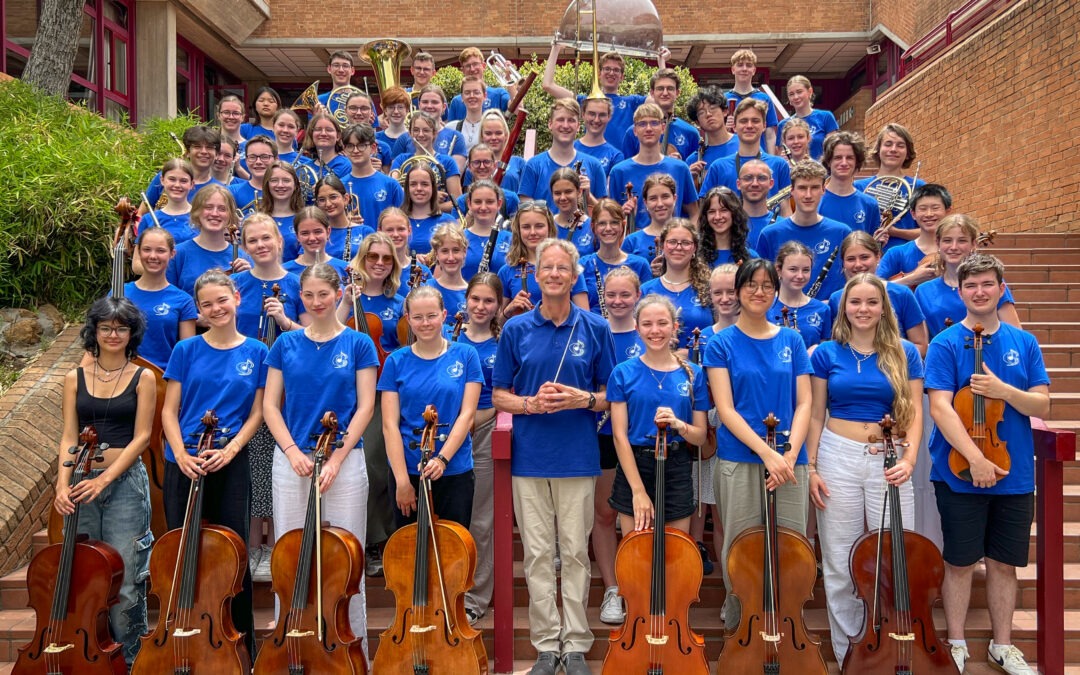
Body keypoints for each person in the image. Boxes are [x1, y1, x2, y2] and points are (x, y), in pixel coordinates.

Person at [492, 238, 617, 675]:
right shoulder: (516, 329)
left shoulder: (596, 328)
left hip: (578, 456)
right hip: (530, 458)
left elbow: (609, 398)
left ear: (575, 274)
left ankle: (577, 644)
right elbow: (499, 395)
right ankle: (547, 645)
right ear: (536, 273)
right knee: (540, 554)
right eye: (547, 268)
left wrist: (581, 399)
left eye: (563, 268)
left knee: (576, 553)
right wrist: (530, 405)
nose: (555, 275)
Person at [923, 253, 1049, 675]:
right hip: (959, 471)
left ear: (1000, 288)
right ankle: (956, 641)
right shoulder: (944, 343)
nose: (979, 292)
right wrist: (976, 458)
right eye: (971, 285)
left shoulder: (1022, 342)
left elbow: (1042, 401)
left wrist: (1002, 390)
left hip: (1013, 472)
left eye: (987, 284)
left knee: (1003, 562)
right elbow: (940, 407)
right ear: (960, 292)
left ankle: (1003, 645)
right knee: (959, 561)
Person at [262, 262, 379, 660]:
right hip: (292, 460)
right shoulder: (285, 344)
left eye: (323, 295)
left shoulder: (358, 343)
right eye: (308, 296)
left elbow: (365, 408)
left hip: (344, 461)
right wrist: (293, 451)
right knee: (289, 559)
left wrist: (337, 457)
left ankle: (352, 651)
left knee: (349, 561)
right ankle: (290, 649)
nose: (315, 303)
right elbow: (270, 407)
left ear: (337, 295)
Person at [805, 272, 924, 663]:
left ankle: (889, 651)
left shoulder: (905, 352)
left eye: (872, 302)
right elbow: (816, 415)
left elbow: (917, 413)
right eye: (855, 302)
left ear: (883, 308)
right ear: (844, 308)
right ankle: (850, 657)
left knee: (891, 560)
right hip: (836, 456)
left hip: (888, 459)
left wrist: (909, 460)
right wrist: (812, 467)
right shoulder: (825, 353)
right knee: (840, 563)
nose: (863, 309)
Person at [162, 270, 269, 656]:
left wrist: (232, 449)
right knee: (181, 550)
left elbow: (257, 413)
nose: (215, 308)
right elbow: (169, 411)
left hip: (230, 460)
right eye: (206, 304)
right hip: (185, 461)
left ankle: (239, 646)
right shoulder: (186, 349)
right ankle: (182, 643)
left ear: (236, 298)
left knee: (233, 555)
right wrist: (180, 454)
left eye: (221, 300)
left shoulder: (257, 351)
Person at [703, 258, 813, 627]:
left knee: (791, 546)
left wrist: (792, 453)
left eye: (767, 285)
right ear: (737, 292)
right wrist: (768, 454)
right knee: (741, 547)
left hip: (790, 462)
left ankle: (786, 624)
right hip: (740, 459)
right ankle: (742, 628)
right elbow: (726, 409)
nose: (759, 291)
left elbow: (805, 403)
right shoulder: (720, 343)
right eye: (751, 284)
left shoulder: (792, 340)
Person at [54, 297, 156, 666]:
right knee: (83, 577)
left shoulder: (143, 377)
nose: (113, 334)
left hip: (125, 483)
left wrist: (105, 480)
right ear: (94, 332)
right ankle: (89, 659)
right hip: (81, 481)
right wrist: (61, 485)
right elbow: (69, 436)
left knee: (126, 581)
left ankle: (129, 663)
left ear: (132, 334)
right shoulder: (73, 377)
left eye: (121, 328)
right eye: (106, 327)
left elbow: (142, 438)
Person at [232, 214, 307, 581]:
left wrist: (286, 322)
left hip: (288, 385)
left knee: (277, 462)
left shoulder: (295, 284)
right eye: (253, 240)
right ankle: (251, 549)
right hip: (245, 383)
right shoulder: (236, 285)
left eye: (266, 238)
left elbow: (314, 334)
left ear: (280, 240)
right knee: (251, 465)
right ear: (244, 246)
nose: (261, 245)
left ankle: (279, 548)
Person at [379, 283, 483, 526]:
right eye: (418, 317)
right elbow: (389, 425)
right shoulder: (396, 361)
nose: (425, 323)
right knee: (408, 551)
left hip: (454, 467)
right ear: (408, 319)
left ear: (444, 315)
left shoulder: (466, 355)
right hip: (407, 469)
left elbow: (467, 415)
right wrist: (402, 480)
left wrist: (442, 459)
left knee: (454, 553)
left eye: (432, 316)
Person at [608, 292, 710, 536]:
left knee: (676, 556)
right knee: (636, 556)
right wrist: (638, 491)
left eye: (662, 323)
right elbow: (619, 436)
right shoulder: (622, 373)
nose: (655, 330)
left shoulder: (693, 374)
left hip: (676, 467)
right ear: (637, 327)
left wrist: (678, 425)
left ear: (675, 326)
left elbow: (700, 437)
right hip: (636, 466)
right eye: (647, 324)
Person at [337, 232, 405, 577]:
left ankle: (380, 539)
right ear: (361, 260)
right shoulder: (350, 297)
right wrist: (348, 302)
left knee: (380, 466)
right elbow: (331, 332)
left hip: (385, 390)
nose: (379, 263)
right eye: (372, 257)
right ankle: (359, 539)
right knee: (359, 465)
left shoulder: (400, 299)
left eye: (386, 258)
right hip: (352, 392)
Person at [591, 266, 645, 624]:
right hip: (604, 436)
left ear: (638, 296)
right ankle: (613, 588)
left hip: (645, 437)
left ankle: (640, 587)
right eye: (611, 295)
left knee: (643, 517)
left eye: (625, 295)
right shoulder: (595, 332)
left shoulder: (651, 330)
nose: (618, 301)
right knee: (606, 513)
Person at [687, 263, 740, 575]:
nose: (724, 298)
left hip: (736, 423)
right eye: (717, 292)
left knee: (724, 510)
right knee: (697, 500)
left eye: (730, 291)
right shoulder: (702, 337)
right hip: (705, 422)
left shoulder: (751, 332)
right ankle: (694, 569)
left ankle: (729, 588)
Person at [460, 273, 504, 625]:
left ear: (498, 306)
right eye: (475, 299)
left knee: (482, 519)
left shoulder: (503, 343)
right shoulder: (449, 339)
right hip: (445, 436)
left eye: (488, 301)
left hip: (486, 433)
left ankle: (476, 596)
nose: (480, 306)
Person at [755, 159, 852, 301]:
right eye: (802, 188)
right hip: (783, 315)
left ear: (823, 190)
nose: (808, 195)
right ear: (792, 191)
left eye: (814, 188)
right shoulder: (770, 234)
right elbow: (761, 281)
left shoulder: (842, 232)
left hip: (832, 314)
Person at [915, 214, 1021, 338]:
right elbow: (921, 343)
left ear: (973, 244)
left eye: (962, 241)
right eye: (947, 240)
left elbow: (1015, 335)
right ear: (938, 243)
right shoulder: (923, 291)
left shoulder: (989, 284)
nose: (954, 247)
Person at [828, 231, 929, 355]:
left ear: (878, 257)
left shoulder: (902, 294)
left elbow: (920, 345)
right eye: (851, 259)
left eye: (865, 257)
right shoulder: (836, 299)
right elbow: (835, 346)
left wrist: (884, 360)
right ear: (843, 263)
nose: (858, 264)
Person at [542, 46, 663, 145]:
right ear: (599, 74)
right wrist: (555, 48)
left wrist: (661, 62)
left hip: (622, 165)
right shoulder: (587, 101)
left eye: (616, 70)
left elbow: (661, 99)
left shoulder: (632, 102)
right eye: (607, 69)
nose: (611, 73)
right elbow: (548, 85)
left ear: (622, 77)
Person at [609, 102, 699, 230]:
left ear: (663, 128)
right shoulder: (619, 172)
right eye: (642, 124)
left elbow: (694, 213)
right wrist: (623, 214)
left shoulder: (680, 168)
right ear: (635, 131)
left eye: (654, 123)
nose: (649, 128)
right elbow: (612, 217)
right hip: (634, 247)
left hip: (672, 244)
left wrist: (688, 238)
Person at [121, 227, 197, 370]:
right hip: (121, 375)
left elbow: (187, 354)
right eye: (147, 249)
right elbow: (99, 339)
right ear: (138, 252)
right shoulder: (120, 292)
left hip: (162, 380)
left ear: (172, 254)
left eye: (161, 251)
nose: (153, 256)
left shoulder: (183, 301)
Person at [498, 202, 590, 319]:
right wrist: (509, 310)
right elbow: (496, 326)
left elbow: (584, 318)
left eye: (539, 226)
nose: (533, 232)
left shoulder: (569, 267)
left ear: (549, 227)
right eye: (526, 227)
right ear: (518, 231)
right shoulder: (507, 271)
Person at [518, 98, 607, 212]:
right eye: (560, 119)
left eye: (571, 120)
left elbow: (604, 214)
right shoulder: (533, 165)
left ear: (578, 126)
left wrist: (588, 197)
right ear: (550, 124)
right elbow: (526, 211)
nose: (565, 125)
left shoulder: (594, 165)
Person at [698, 99, 791, 206]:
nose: (749, 126)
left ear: (764, 126)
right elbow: (705, 210)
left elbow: (786, 210)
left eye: (755, 121)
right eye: (743, 121)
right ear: (734, 126)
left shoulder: (779, 165)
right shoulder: (718, 167)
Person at [640, 220, 713, 349]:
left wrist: (689, 354)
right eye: (672, 242)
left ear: (694, 248)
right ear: (662, 246)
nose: (678, 247)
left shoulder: (709, 288)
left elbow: (720, 330)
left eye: (685, 243)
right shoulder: (646, 290)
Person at [854, 123, 927, 250]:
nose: (893, 149)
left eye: (900, 145)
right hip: (868, 258)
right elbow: (853, 231)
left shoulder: (919, 187)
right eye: (888, 144)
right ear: (878, 149)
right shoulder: (859, 187)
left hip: (908, 257)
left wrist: (894, 231)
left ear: (908, 153)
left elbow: (931, 231)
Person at [167, 185, 251, 296]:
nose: (215, 213)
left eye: (222, 209)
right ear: (197, 211)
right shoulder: (178, 254)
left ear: (230, 215)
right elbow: (168, 298)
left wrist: (249, 276)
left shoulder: (242, 257)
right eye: (208, 207)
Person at [580, 199, 652, 316]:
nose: (608, 228)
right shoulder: (583, 265)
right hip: (595, 332)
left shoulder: (640, 264)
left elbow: (646, 309)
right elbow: (582, 314)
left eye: (614, 222)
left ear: (622, 225)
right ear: (593, 227)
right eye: (602, 223)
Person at [877, 183, 953, 286]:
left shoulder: (959, 250)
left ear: (948, 211)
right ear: (913, 214)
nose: (929, 214)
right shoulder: (896, 253)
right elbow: (874, 286)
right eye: (923, 208)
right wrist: (913, 278)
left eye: (935, 208)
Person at [619, 69, 700, 161]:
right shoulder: (633, 132)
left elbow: (694, 172)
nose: (665, 93)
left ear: (677, 93)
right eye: (660, 88)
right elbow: (627, 169)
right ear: (652, 93)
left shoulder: (691, 133)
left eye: (670, 88)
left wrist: (681, 165)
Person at [339, 123, 405, 231]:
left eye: (361, 145)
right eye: (350, 146)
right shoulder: (339, 186)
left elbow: (403, 222)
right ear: (345, 150)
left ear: (373, 148)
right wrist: (344, 220)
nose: (355, 151)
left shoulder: (390, 184)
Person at [390, 111, 463, 206]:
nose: (420, 134)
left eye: (426, 130)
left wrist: (430, 207)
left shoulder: (447, 162)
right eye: (416, 130)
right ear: (410, 133)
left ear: (435, 133)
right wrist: (431, 197)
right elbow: (393, 188)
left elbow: (457, 202)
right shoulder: (401, 160)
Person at [769, 241, 832, 349]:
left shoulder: (822, 310)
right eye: (793, 269)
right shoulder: (764, 305)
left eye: (806, 270)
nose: (800, 276)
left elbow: (824, 353)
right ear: (778, 270)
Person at [818, 130, 882, 237]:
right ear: (829, 161)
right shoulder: (816, 200)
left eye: (849, 158)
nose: (844, 163)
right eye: (838, 157)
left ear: (857, 162)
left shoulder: (869, 204)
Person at [144, 126, 223, 209]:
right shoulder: (167, 176)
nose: (203, 151)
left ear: (216, 154)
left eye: (209, 147)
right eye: (197, 146)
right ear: (188, 152)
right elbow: (141, 214)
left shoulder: (220, 188)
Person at [396, 85, 468, 171]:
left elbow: (456, 174)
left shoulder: (456, 137)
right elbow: (395, 174)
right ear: (419, 105)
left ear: (444, 107)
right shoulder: (403, 138)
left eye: (434, 102)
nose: (429, 106)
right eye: (425, 102)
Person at [724, 49, 779, 153]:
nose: (744, 69)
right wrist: (725, 128)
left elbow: (770, 135)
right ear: (733, 69)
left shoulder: (764, 98)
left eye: (748, 65)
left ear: (754, 70)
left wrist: (771, 159)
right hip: (730, 155)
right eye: (740, 65)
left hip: (759, 155)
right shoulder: (723, 99)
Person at [314, 174, 374, 262]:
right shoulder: (314, 234)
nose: (328, 204)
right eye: (322, 200)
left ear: (346, 199)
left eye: (333, 197)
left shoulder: (365, 232)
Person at [460, 179, 513, 280]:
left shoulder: (511, 239)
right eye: (478, 202)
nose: (483, 207)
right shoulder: (458, 238)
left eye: (489, 202)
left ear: (499, 204)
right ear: (469, 204)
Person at [402, 162, 457, 256]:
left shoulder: (448, 221)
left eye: (424, 184)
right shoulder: (398, 220)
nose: (419, 188)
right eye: (413, 184)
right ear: (407, 188)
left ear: (433, 187)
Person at [777, 75, 838, 160]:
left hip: (822, 171)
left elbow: (833, 150)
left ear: (810, 91)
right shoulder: (783, 125)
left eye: (799, 92)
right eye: (791, 94)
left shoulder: (825, 117)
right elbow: (780, 156)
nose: (796, 97)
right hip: (794, 171)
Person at [687, 86, 739, 182]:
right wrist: (688, 179)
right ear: (697, 122)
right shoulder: (693, 160)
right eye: (701, 112)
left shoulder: (744, 145)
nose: (708, 114)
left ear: (725, 111)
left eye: (713, 108)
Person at [282, 206, 350, 281]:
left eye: (318, 232)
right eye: (305, 233)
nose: (312, 238)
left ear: (328, 232)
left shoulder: (345, 269)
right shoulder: (284, 271)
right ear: (297, 236)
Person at [621, 173, 679, 260]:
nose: (660, 204)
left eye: (665, 197)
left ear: (674, 199)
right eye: (653, 198)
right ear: (645, 202)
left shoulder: (687, 236)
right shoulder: (632, 241)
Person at [457, 144, 520, 222]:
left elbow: (517, 230)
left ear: (494, 165)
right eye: (476, 162)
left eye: (487, 162)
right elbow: (456, 231)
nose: (482, 166)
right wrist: (469, 216)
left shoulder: (511, 198)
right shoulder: (461, 201)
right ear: (469, 166)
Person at [447, 47, 512, 120]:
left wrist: (509, 78)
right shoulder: (456, 101)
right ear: (463, 70)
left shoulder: (498, 93)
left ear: (483, 66)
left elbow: (517, 110)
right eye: (468, 66)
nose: (472, 69)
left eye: (475, 64)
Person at [698, 186, 756, 267]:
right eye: (712, 212)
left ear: (734, 213)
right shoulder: (695, 258)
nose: (717, 217)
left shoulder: (751, 258)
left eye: (724, 210)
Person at [379, 206, 433, 292]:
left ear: (409, 230)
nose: (396, 234)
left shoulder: (422, 271)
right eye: (389, 230)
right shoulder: (375, 269)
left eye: (401, 229)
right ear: (380, 231)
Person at [258, 160, 305, 259]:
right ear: (267, 185)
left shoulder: (305, 220)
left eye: (286, 180)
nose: (280, 185)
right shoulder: (255, 220)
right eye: (274, 180)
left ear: (295, 185)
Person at [427, 224, 471, 324]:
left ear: (464, 252)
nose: (451, 257)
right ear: (436, 254)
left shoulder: (471, 294)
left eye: (456, 250)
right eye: (445, 251)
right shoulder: (425, 287)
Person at [149, 158, 196, 245]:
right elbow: (137, 258)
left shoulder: (201, 217)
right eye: (172, 179)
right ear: (162, 180)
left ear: (192, 184)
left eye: (183, 181)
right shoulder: (149, 219)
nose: (177, 185)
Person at [341, 91, 392, 171]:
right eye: (353, 108)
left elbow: (389, 179)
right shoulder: (337, 146)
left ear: (372, 112)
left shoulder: (384, 147)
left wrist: (379, 171)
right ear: (345, 111)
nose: (358, 113)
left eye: (364, 108)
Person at [477, 109, 526, 192]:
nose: (493, 138)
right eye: (488, 133)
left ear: (506, 135)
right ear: (482, 136)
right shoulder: (475, 163)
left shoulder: (519, 163)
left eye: (498, 133)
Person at [550, 167, 596, 256]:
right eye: (557, 193)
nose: (562, 198)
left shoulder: (593, 227)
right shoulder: (546, 226)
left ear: (579, 192)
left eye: (568, 192)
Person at [573, 96, 624, 173]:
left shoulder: (615, 156)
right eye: (592, 114)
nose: (596, 120)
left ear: (609, 117)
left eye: (602, 115)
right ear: (583, 114)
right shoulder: (569, 149)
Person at [229, 135, 276, 216]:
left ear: (276, 159)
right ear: (246, 161)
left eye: (264, 157)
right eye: (252, 157)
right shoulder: (232, 191)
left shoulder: (284, 192)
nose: (258, 162)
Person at [297, 112, 351, 182]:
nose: (323, 133)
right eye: (318, 129)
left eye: (329, 130)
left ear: (338, 136)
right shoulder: (303, 169)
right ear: (311, 135)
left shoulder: (347, 166)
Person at [737, 159, 778, 245]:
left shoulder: (782, 226)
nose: (755, 184)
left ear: (771, 183)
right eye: (748, 178)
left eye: (762, 178)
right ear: (738, 184)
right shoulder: (727, 225)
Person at [447, 76, 487, 151]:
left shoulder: (492, 127)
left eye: (476, 92)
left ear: (485, 96)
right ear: (462, 97)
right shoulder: (451, 128)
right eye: (467, 93)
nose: (472, 96)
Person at [316, 50, 357, 121]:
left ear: (352, 71)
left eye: (345, 66)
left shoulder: (364, 100)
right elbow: (311, 131)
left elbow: (372, 131)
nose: (341, 70)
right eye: (336, 65)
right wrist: (316, 119)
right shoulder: (318, 101)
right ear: (329, 69)